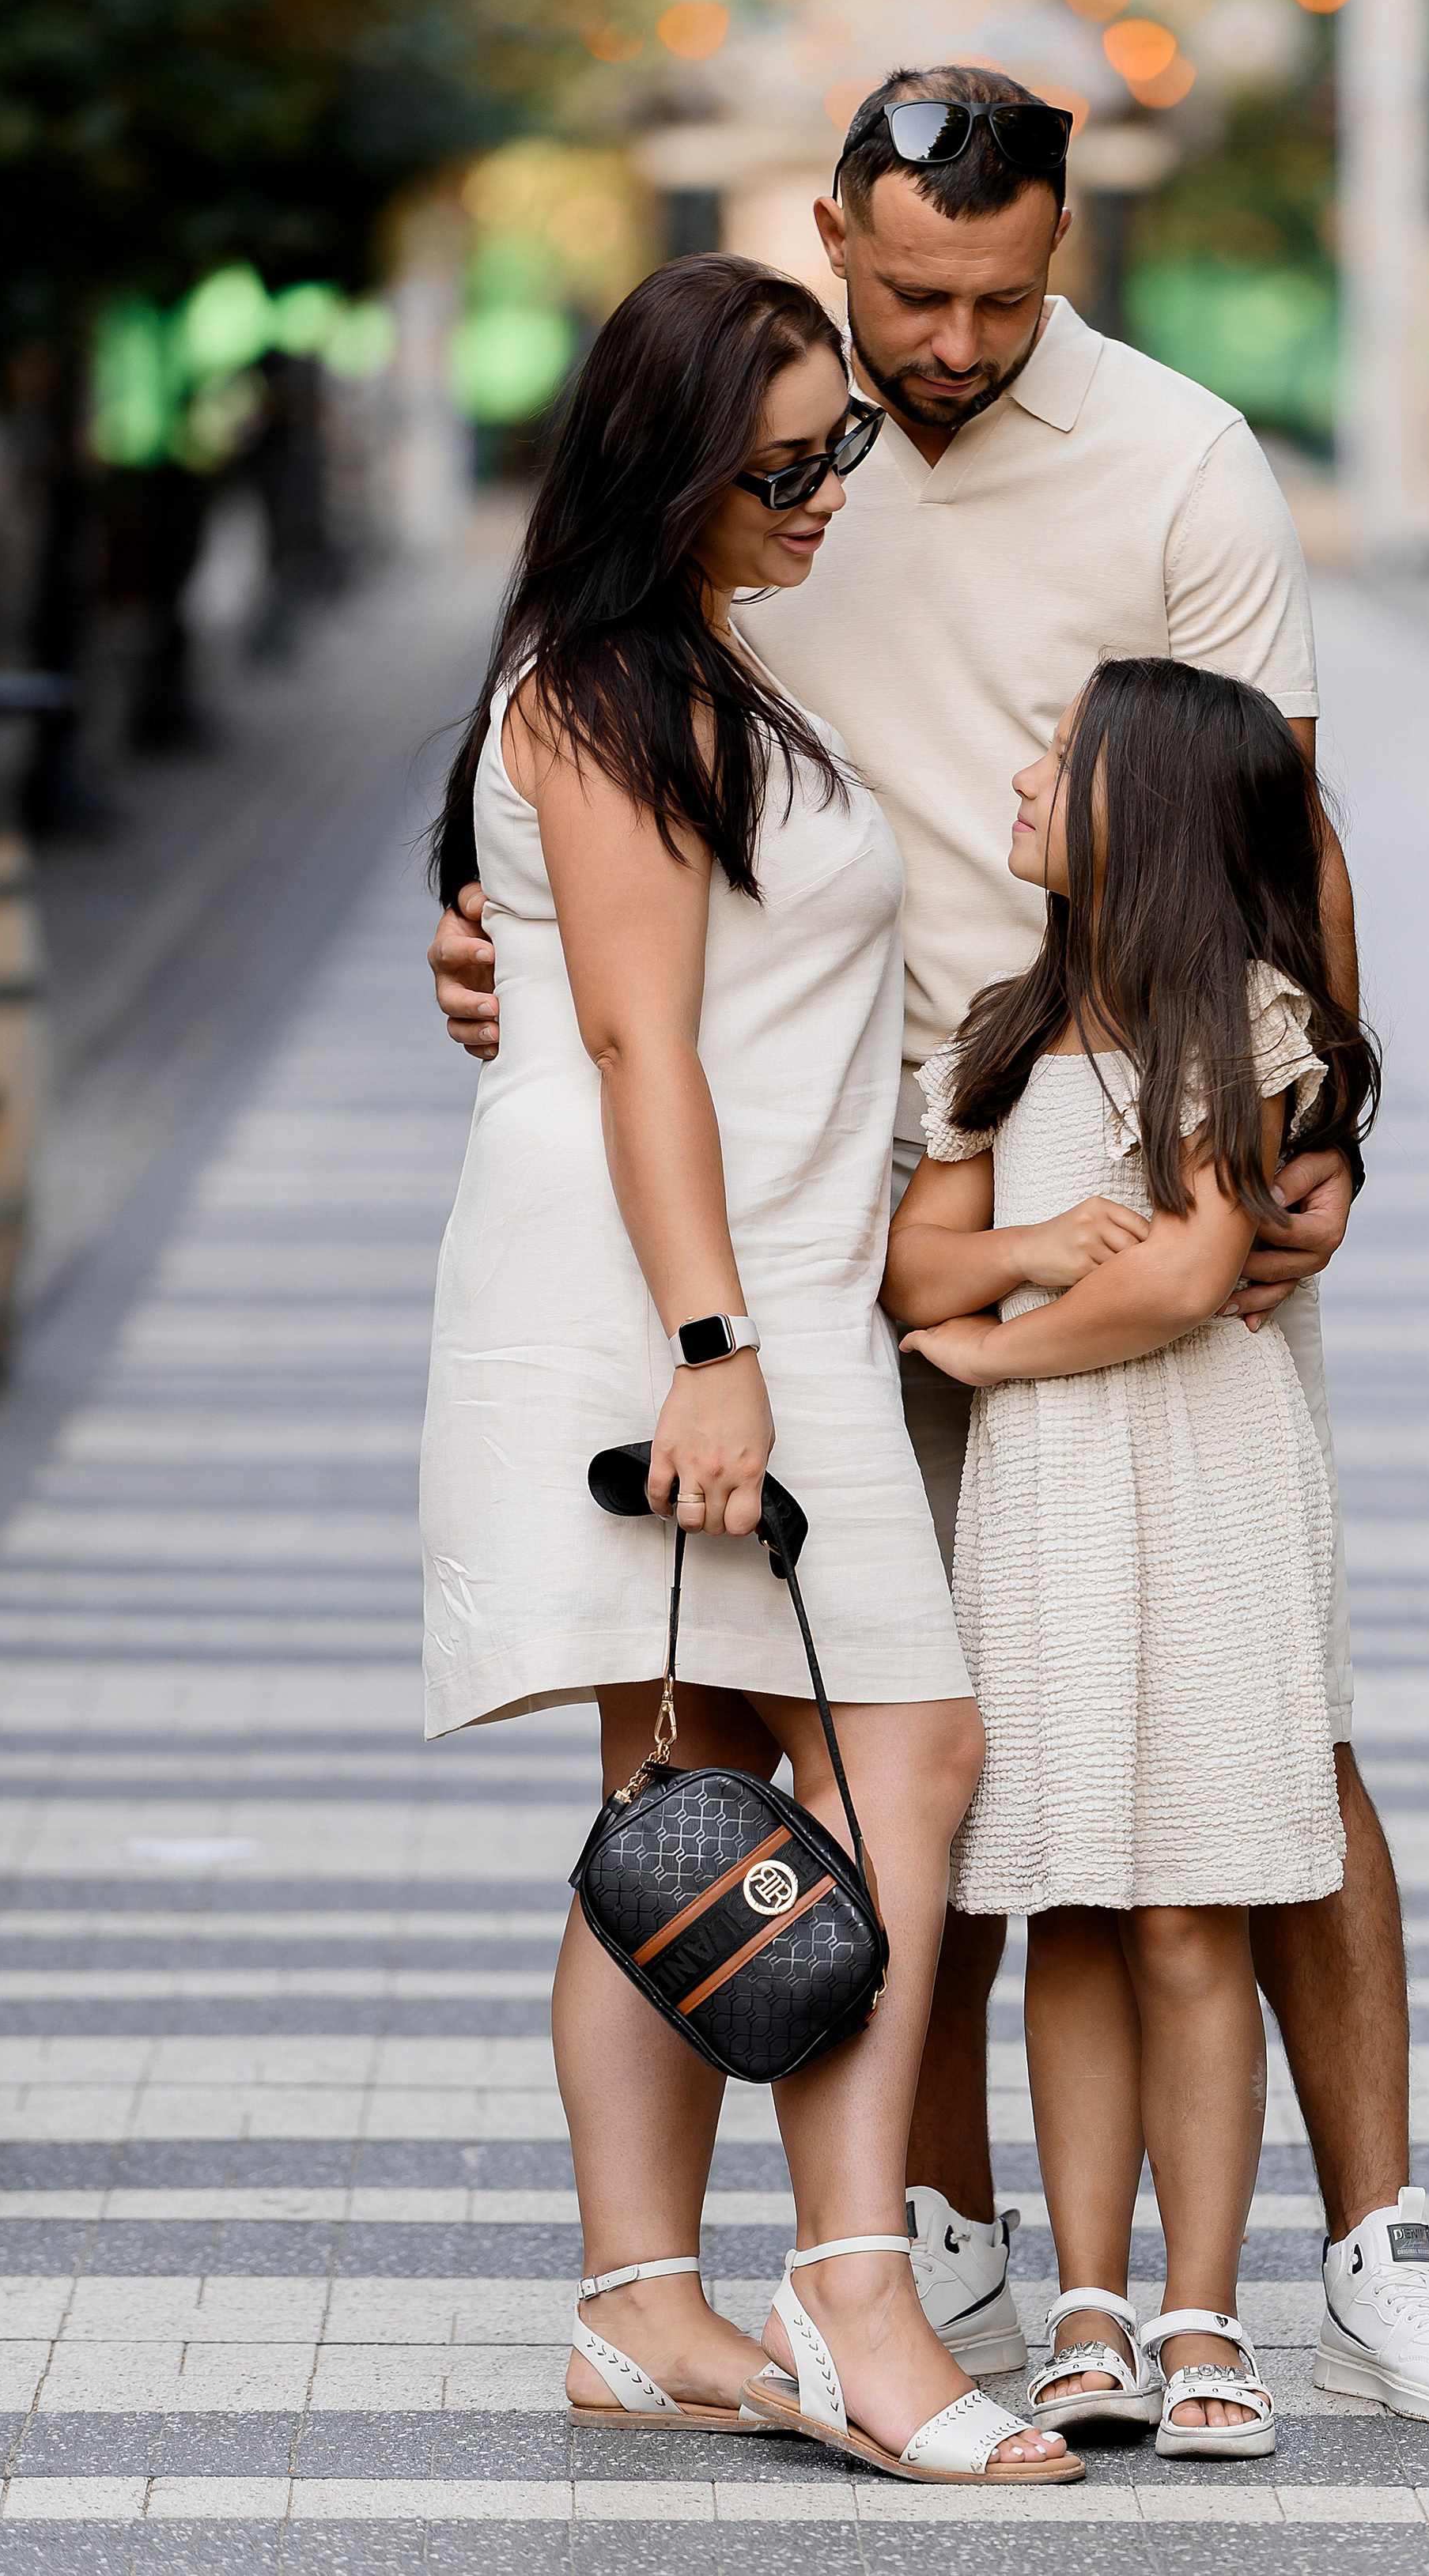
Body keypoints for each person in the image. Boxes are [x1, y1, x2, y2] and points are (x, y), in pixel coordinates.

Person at [430, 65, 1429, 2426]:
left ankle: (1369, 2239)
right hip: (833, 1201)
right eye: (911, 292)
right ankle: (913, 2236)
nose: (950, 342)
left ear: (1068, 251)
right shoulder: (757, 459)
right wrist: (511, 960)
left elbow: (1286, 804)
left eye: (1005, 294)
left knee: (1259, 1710)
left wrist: (1327, 1092)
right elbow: (597, 838)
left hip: (1125, 1130)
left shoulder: (1179, 456)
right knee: (826, 1747)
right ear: (828, 230)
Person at [418, 252, 1076, 2485]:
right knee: (915, 1738)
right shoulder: (616, 689)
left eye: (839, 451)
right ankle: (850, 2281)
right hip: (683, 1295)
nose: (819, 493)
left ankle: (637, 2304)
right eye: (780, 462)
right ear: (671, 462)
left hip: (745, 1276)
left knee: (682, 1807)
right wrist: (714, 1345)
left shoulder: (695, 671)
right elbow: (633, 1040)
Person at [885, 660, 1376, 2460]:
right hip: (1051, 1511)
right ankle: (1080, 2301)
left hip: (1207, 1486)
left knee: (1195, 1901)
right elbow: (911, 1265)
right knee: (1071, 1895)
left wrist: (1002, 1345)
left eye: (1057, 758)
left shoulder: (1250, 1022)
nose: (1017, 777)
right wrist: (1016, 1253)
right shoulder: (1000, 1031)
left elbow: (1182, 1277)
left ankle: (1199, 2304)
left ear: (1143, 816)